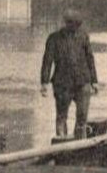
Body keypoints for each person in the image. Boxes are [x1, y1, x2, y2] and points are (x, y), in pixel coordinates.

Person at [40, 10, 99, 138]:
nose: (74, 27)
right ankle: (62, 144)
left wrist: (94, 81)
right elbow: (47, 61)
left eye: (77, 24)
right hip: (62, 84)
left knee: (82, 117)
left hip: (83, 82)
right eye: (71, 24)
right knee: (61, 116)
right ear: (66, 23)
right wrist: (44, 82)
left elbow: (90, 58)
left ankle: (80, 144)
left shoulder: (83, 37)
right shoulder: (54, 38)